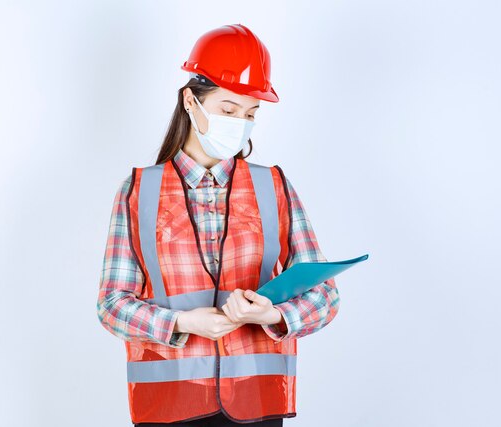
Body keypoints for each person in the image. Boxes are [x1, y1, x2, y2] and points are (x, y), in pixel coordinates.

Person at [96, 23, 341, 427]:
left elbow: (325, 297)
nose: (240, 123)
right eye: (228, 110)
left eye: (250, 114)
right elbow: (111, 305)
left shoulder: (272, 185)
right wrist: (182, 323)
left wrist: (273, 316)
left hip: (257, 405)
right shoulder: (139, 190)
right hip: (169, 407)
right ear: (191, 103)